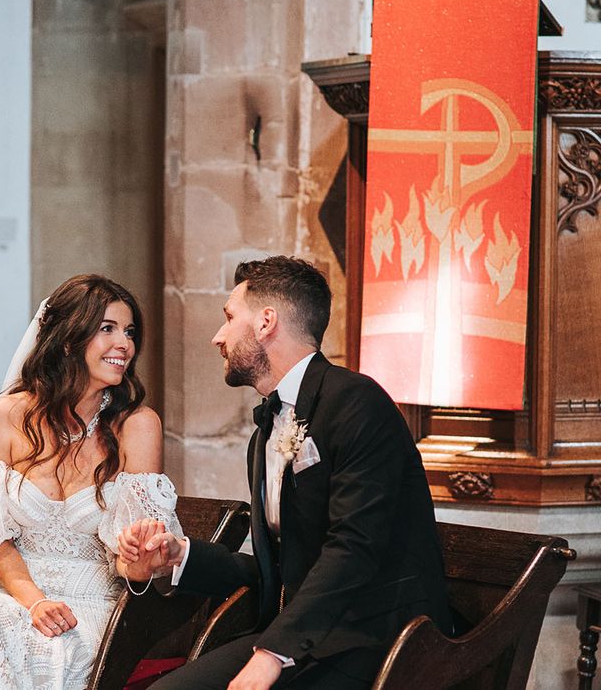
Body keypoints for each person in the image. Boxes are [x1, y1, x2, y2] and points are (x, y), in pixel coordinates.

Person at [120, 256, 452, 689]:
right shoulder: (265, 433)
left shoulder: (356, 402)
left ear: (265, 322)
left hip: (376, 641)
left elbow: (354, 549)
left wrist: (271, 656)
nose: (217, 337)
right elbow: (277, 572)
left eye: (229, 317)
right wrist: (181, 557)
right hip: (300, 635)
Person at [0, 274, 182, 689]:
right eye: (107, 329)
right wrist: (33, 600)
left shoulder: (137, 425)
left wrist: (139, 556)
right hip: (18, 594)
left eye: (129, 331)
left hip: (92, 606)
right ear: (66, 339)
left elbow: (131, 564)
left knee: (38, 643)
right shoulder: (5, 417)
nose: (125, 345)